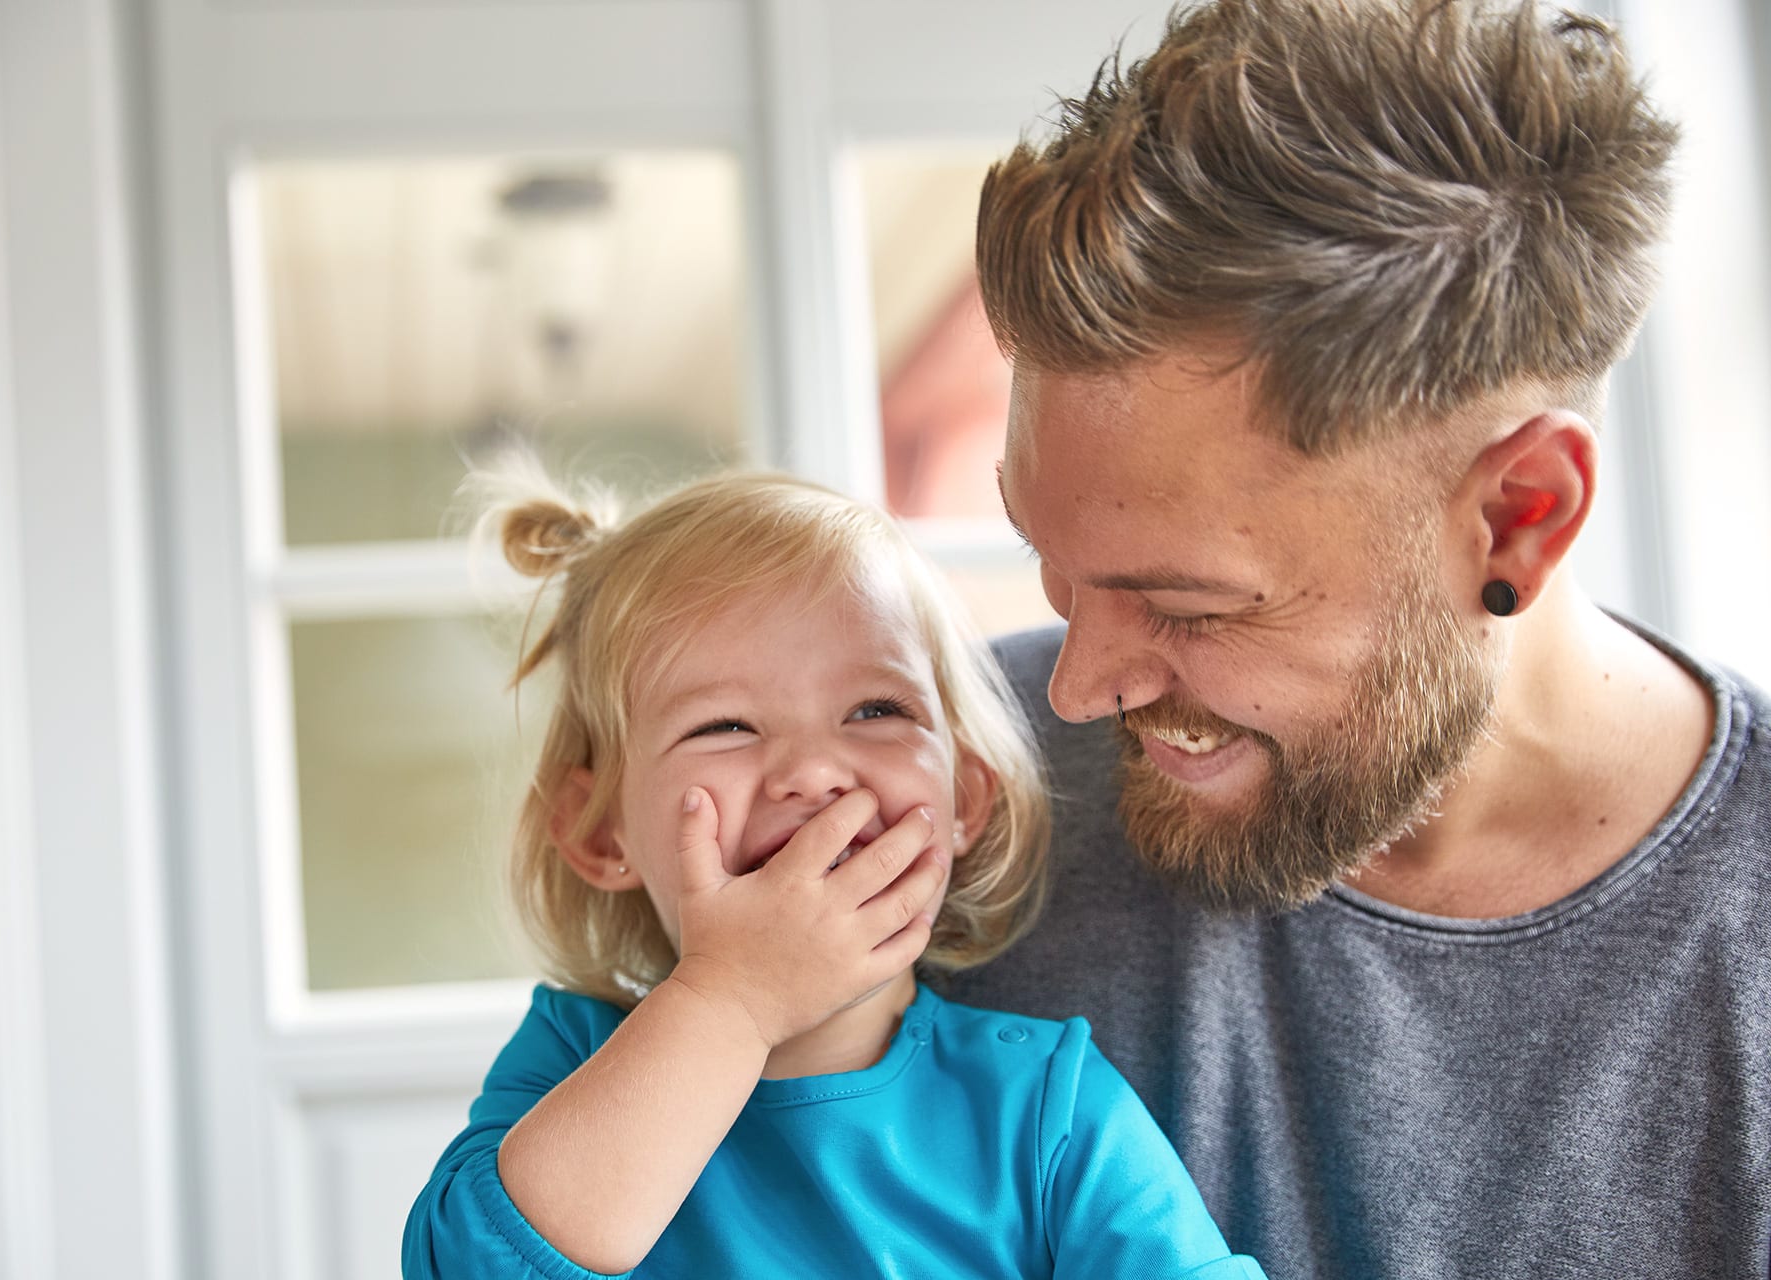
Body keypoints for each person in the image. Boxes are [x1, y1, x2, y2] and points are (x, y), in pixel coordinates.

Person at [941, 0, 1771, 1276]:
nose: (1075, 688)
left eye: (1191, 605)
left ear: (1519, 518)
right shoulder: (938, 804)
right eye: (1053, 568)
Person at [401, 469, 1268, 1278]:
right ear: (601, 836)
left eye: (875, 710)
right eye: (726, 726)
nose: (814, 772)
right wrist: (731, 1001)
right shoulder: (572, 1056)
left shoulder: (1047, 1107)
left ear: (964, 798)